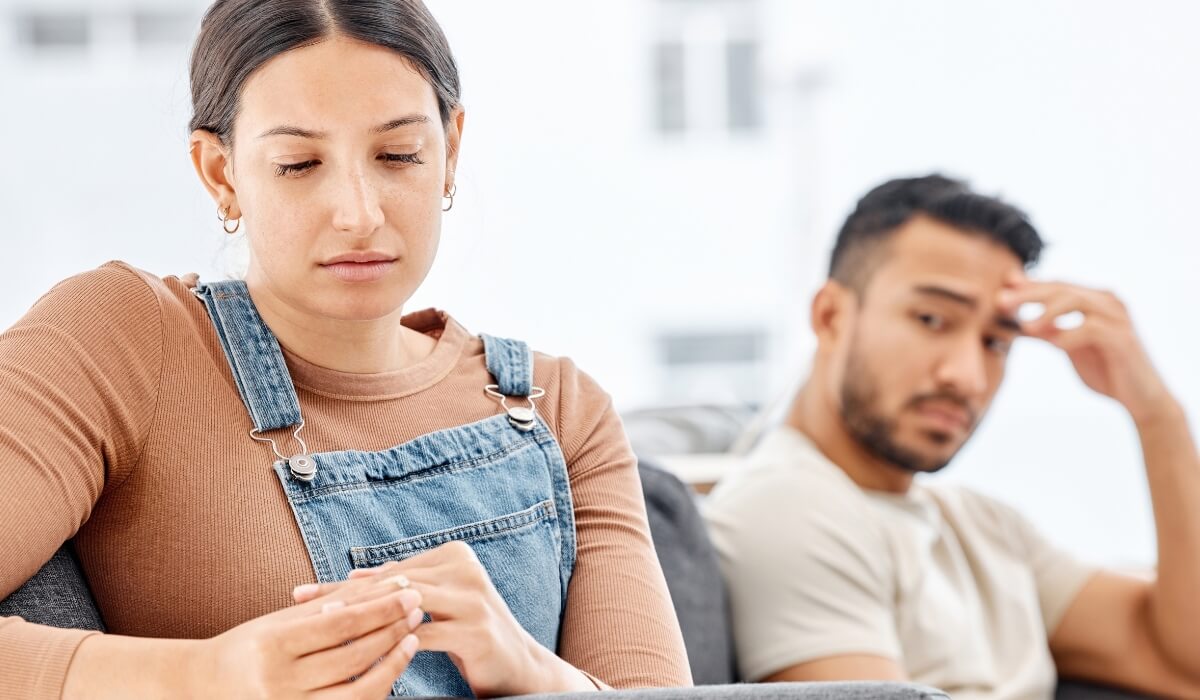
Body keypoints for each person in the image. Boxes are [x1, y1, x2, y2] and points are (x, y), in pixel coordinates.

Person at [0, 1, 691, 697]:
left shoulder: (561, 409)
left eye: (399, 156)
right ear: (221, 172)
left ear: (451, 150)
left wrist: (534, 671)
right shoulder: (123, 340)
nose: (359, 214)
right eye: (299, 164)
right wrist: (210, 675)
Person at [703, 175, 1200, 699]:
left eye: (994, 341)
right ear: (830, 317)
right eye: (932, 319)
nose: (967, 376)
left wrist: (1157, 415)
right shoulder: (788, 506)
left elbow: (1185, 664)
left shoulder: (983, 526)